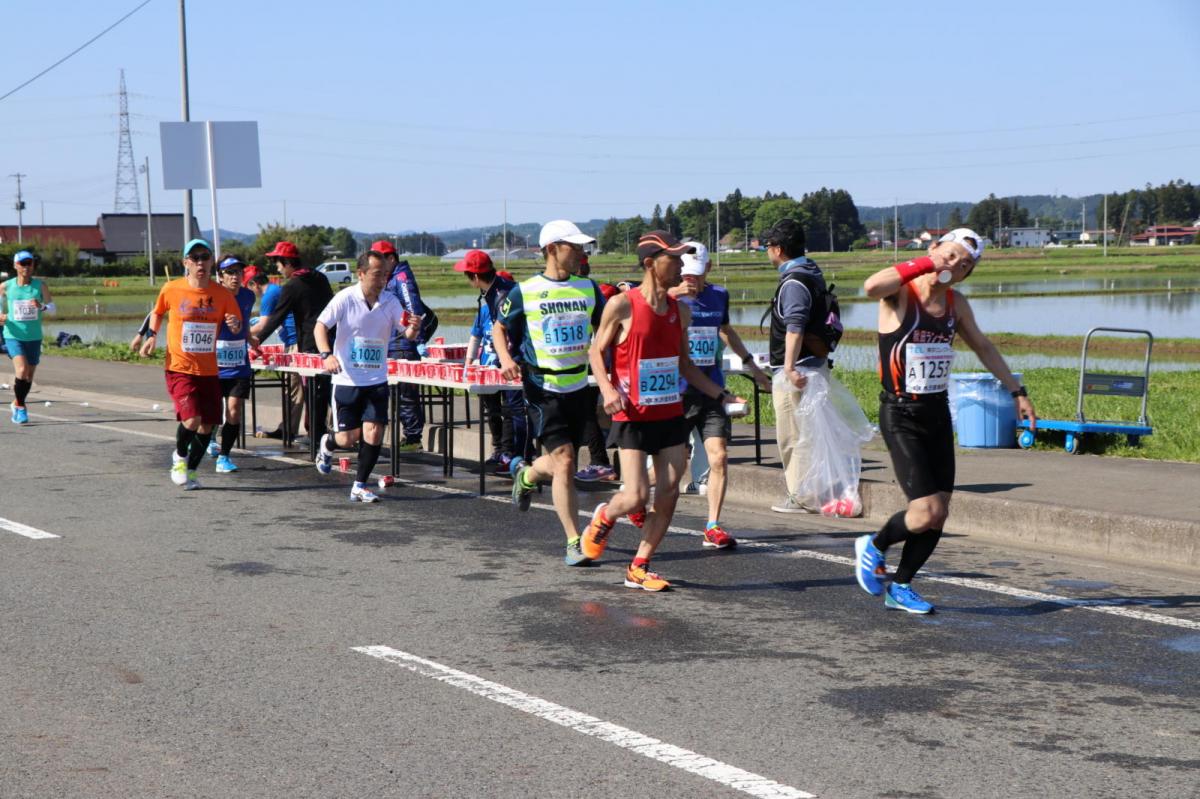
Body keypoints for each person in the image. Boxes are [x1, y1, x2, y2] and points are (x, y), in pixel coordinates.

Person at [854, 228, 1037, 614]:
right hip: (900, 413)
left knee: (940, 513)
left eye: (965, 264)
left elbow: (983, 346)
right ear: (934, 248)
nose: (954, 265)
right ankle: (874, 544)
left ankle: (900, 586)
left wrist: (1016, 392)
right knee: (925, 511)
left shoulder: (956, 304)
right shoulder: (900, 294)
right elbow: (871, 286)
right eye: (951, 255)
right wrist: (923, 263)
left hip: (937, 413)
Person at [580, 231, 745, 591]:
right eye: (674, 258)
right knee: (637, 496)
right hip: (632, 414)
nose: (682, 265)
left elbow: (685, 366)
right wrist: (608, 390)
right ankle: (605, 516)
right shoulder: (622, 305)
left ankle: (639, 564)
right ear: (651, 263)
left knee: (669, 491)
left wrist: (721, 396)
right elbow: (596, 352)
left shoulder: (680, 312)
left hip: (670, 412)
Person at [494, 219, 605, 566]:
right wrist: (505, 358)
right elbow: (499, 327)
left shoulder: (588, 289)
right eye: (574, 246)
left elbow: (606, 330)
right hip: (542, 387)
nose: (581, 253)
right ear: (552, 249)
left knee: (559, 464)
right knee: (567, 461)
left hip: (579, 386)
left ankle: (525, 474)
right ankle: (574, 541)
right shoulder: (524, 291)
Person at [669, 241, 772, 547]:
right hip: (678, 391)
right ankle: (632, 500)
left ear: (708, 269)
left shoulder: (720, 296)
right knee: (671, 465)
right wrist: (671, 295)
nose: (691, 280)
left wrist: (753, 367)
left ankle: (712, 525)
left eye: (697, 275)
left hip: (712, 388)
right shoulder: (668, 299)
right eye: (685, 274)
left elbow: (725, 330)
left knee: (721, 458)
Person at [138, 239, 244, 490]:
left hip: (208, 369)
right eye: (194, 258)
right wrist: (151, 336)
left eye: (205, 257)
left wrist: (235, 325)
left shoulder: (222, 294)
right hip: (179, 366)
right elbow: (158, 311)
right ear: (185, 262)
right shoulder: (172, 289)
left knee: (208, 425)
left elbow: (237, 322)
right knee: (192, 419)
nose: (200, 262)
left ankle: (192, 470)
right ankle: (179, 456)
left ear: (211, 262)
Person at [312, 250, 417, 503]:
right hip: (347, 379)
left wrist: (414, 327)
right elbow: (320, 326)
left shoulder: (390, 301)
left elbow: (408, 334)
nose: (381, 280)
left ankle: (359, 485)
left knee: (374, 432)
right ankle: (328, 443)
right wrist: (327, 355)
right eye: (376, 274)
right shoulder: (345, 298)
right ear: (361, 274)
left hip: (377, 379)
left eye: (384, 275)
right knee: (348, 439)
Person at [761, 218, 834, 513]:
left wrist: (789, 367)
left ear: (778, 249)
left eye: (768, 246)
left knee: (794, 436)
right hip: (813, 365)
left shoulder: (793, 281)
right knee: (807, 433)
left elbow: (795, 327)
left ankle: (801, 496)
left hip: (799, 370)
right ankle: (809, 492)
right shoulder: (811, 272)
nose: (767, 251)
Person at [251, 241, 334, 446]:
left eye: (278, 263)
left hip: (308, 343)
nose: (277, 268)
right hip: (331, 340)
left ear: (288, 262)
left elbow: (276, 318)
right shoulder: (320, 277)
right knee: (328, 390)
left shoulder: (292, 286)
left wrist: (256, 342)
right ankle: (329, 433)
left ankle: (316, 436)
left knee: (311, 391)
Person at [458, 249, 526, 472]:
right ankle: (507, 453)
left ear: (475, 277)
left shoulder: (502, 294)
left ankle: (517, 456)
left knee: (514, 409)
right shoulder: (492, 291)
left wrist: (506, 358)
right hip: (504, 358)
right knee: (505, 409)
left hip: (515, 358)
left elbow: (511, 331)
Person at [202, 256, 257, 472]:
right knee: (212, 413)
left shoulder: (248, 296)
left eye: (238, 272)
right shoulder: (212, 296)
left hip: (239, 364)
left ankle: (224, 457)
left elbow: (243, 324)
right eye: (230, 272)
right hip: (214, 365)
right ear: (221, 276)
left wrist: (250, 337)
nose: (235, 277)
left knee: (234, 410)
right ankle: (207, 440)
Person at [377, 240, 429, 450]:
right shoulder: (389, 278)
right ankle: (410, 435)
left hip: (403, 344)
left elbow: (413, 309)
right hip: (392, 343)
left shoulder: (402, 278)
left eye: (381, 260)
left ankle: (413, 438)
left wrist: (417, 340)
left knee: (407, 394)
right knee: (397, 394)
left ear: (391, 258)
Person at [244, 263, 301, 438]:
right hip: (290, 340)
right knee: (291, 388)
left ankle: (288, 430)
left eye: (249, 287)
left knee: (294, 389)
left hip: (294, 342)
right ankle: (287, 428)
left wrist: (240, 332)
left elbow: (263, 325)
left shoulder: (269, 295)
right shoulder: (276, 289)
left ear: (254, 284)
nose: (251, 292)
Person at [0, 250, 54, 423]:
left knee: (29, 376)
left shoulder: (40, 286)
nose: (27, 267)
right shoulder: (6, 286)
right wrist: (0, 316)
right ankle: (21, 407)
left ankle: (16, 401)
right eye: (23, 264)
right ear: (16, 266)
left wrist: (42, 306)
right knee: (22, 371)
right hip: (13, 334)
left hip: (34, 336)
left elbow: (53, 309)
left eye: (29, 263)